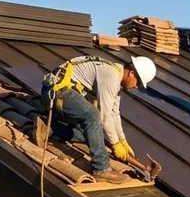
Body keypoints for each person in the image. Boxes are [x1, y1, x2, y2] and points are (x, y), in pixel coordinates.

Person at [39, 55, 157, 183]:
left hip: (62, 96)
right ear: (132, 73)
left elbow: (114, 113)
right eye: (138, 83)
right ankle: (101, 169)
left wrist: (122, 140)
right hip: (56, 92)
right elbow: (105, 115)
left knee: (92, 135)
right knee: (93, 115)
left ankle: (48, 129)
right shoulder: (111, 76)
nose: (136, 87)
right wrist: (115, 144)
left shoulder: (117, 79)